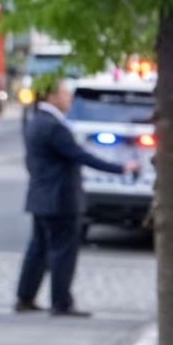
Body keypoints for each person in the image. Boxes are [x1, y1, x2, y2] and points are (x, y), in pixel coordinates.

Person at [15, 74, 134, 318]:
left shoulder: (36, 122)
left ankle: (25, 297)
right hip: (60, 200)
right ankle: (61, 302)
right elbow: (81, 156)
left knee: (37, 250)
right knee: (62, 252)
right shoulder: (54, 127)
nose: (69, 99)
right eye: (65, 94)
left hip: (40, 196)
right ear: (51, 96)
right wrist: (121, 168)